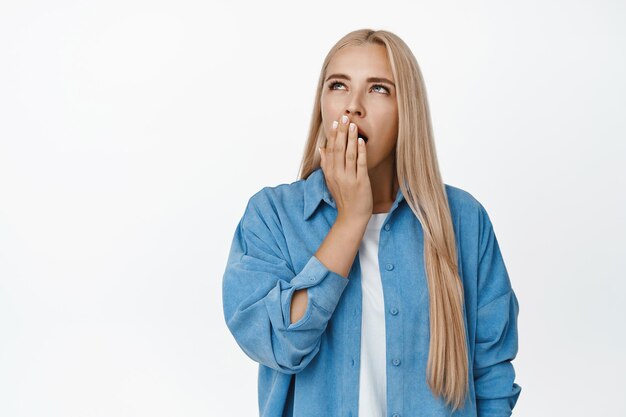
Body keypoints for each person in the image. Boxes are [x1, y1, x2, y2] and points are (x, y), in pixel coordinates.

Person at [222, 28, 522, 417]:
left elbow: (492, 376)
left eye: (378, 88)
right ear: (322, 105)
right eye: (338, 86)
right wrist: (351, 218)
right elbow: (275, 344)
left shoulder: (464, 220)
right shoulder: (272, 216)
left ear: (406, 111)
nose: (353, 106)